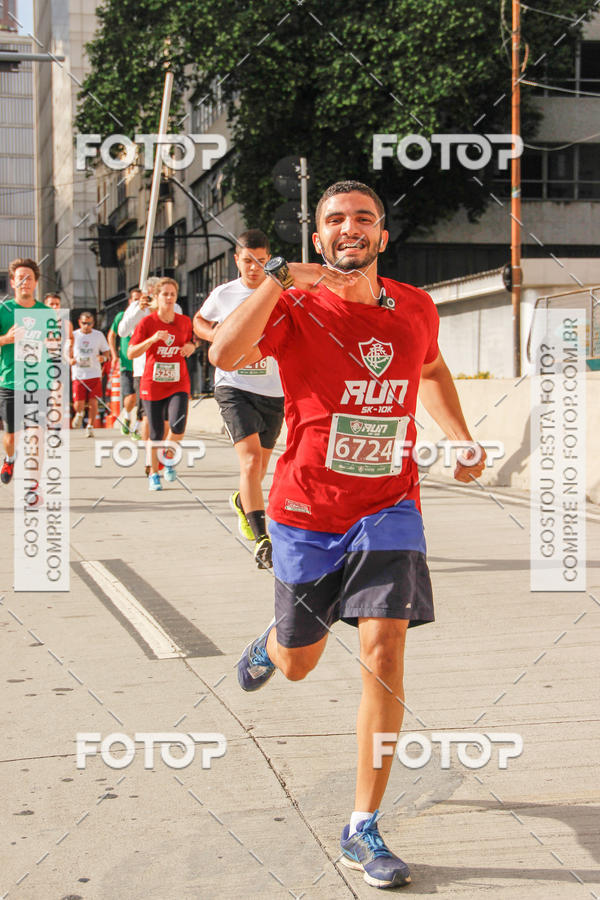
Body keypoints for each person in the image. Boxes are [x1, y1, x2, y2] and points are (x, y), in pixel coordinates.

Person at [210, 181, 487, 890]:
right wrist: (277, 279)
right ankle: (270, 646)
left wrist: (458, 436)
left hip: (388, 503)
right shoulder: (295, 300)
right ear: (319, 237)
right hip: (306, 507)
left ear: (382, 236)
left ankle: (361, 825)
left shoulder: (414, 306)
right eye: (336, 219)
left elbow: (428, 368)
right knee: (300, 661)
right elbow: (225, 357)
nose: (351, 227)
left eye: (365, 217)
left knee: (383, 647)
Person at [193, 229, 284, 570]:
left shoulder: (279, 291)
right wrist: (213, 334)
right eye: (248, 261)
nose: (254, 268)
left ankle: (241, 500)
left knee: (259, 468)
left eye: (261, 261)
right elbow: (199, 321)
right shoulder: (225, 294)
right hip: (233, 386)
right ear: (237, 260)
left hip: (274, 391)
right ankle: (263, 538)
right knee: (248, 462)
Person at [128, 277, 195, 491]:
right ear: (156, 297)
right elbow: (131, 352)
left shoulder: (184, 321)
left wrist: (191, 348)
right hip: (153, 383)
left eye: (172, 294)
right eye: (164, 294)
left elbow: (191, 341)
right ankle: (154, 474)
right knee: (156, 432)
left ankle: (167, 457)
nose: (168, 298)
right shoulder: (147, 323)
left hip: (178, 382)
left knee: (177, 426)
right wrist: (152, 340)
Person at [118, 277, 183, 472]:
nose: (163, 296)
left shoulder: (175, 307)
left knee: (166, 421)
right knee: (148, 417)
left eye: (165, 292)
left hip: (170, 370)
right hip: (144, 370)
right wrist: (139, 309)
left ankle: (162, 455)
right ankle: (150, 459)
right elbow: (123, 331)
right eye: (156, 292)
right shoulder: (137, 308)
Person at [0, 258, 47, 485]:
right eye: (20, 278)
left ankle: (33, 486)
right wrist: (6, 339)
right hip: (10, 382)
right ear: (12, 282)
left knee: (35, 435)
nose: (25, 282)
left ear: (36, 283)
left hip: (37, 383)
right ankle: (10, 457)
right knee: (11, 437)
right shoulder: (4, 310)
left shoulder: (46, 312)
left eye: (29, 278)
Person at [70, 311, 110, 437]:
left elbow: (106, 352)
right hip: (79, 374)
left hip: (94, 373)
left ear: (93, 323)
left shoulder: (98, 335)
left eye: (90, 323)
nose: (87, 326)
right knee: (79, 403)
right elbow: (66, 352)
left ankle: (90, 426)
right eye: (84, 323)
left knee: (94, 402)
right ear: (79, 323)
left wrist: (103, 358)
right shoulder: (73, 335)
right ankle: (80, 413)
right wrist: (70, 359)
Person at [108, 287, 140, 436]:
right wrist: (114, 355)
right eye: (135, 299)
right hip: (126, 363)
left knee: (141, 398)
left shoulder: (147, 315)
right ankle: (127, 417)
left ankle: (137, 427)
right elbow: (112, 335)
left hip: (143, 363)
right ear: (130, 301)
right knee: (130, 397)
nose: (139, 302)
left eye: (141, 299)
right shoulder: (122, 316)